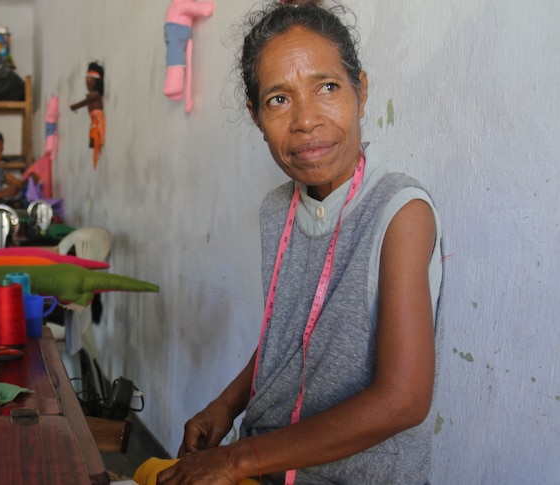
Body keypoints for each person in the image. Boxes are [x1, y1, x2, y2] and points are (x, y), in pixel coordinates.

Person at [151, 3, 444, 484]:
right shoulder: (277, 211)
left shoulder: (400, 213)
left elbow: (404, 399)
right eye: (279, 100)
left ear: (361, 92)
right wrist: (226, 405)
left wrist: (235, 459)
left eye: (327, 88)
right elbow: (294, 337)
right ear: (255, 114)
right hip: (269, 469)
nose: (306, 120)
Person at [70, 62, 106, 169]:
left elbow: (86, 101)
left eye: (90, 80)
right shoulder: (93, 95)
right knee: (92, 132)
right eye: (86, 80)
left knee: (95, 132)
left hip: (97, 118)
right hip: (93, 118)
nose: (87, 83)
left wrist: (75, 106)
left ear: (96, 81)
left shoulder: (95, 95)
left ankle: (94, 142)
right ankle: (93, 142)